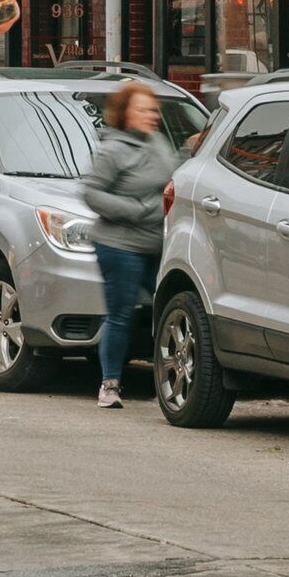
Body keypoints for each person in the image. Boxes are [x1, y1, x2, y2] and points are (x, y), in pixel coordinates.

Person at [78, 80, 176, 410]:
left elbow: (173, 178)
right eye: (143, 109)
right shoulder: (112, 150)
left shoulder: (160, 143)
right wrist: (135, 211)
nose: (151, 115)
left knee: (170, 311)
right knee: (121, 314)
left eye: (154, 109)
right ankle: (110, 384)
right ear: (124, 114)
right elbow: (91, 193)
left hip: (158, 244)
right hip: (119, 246)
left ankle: (170, 380)